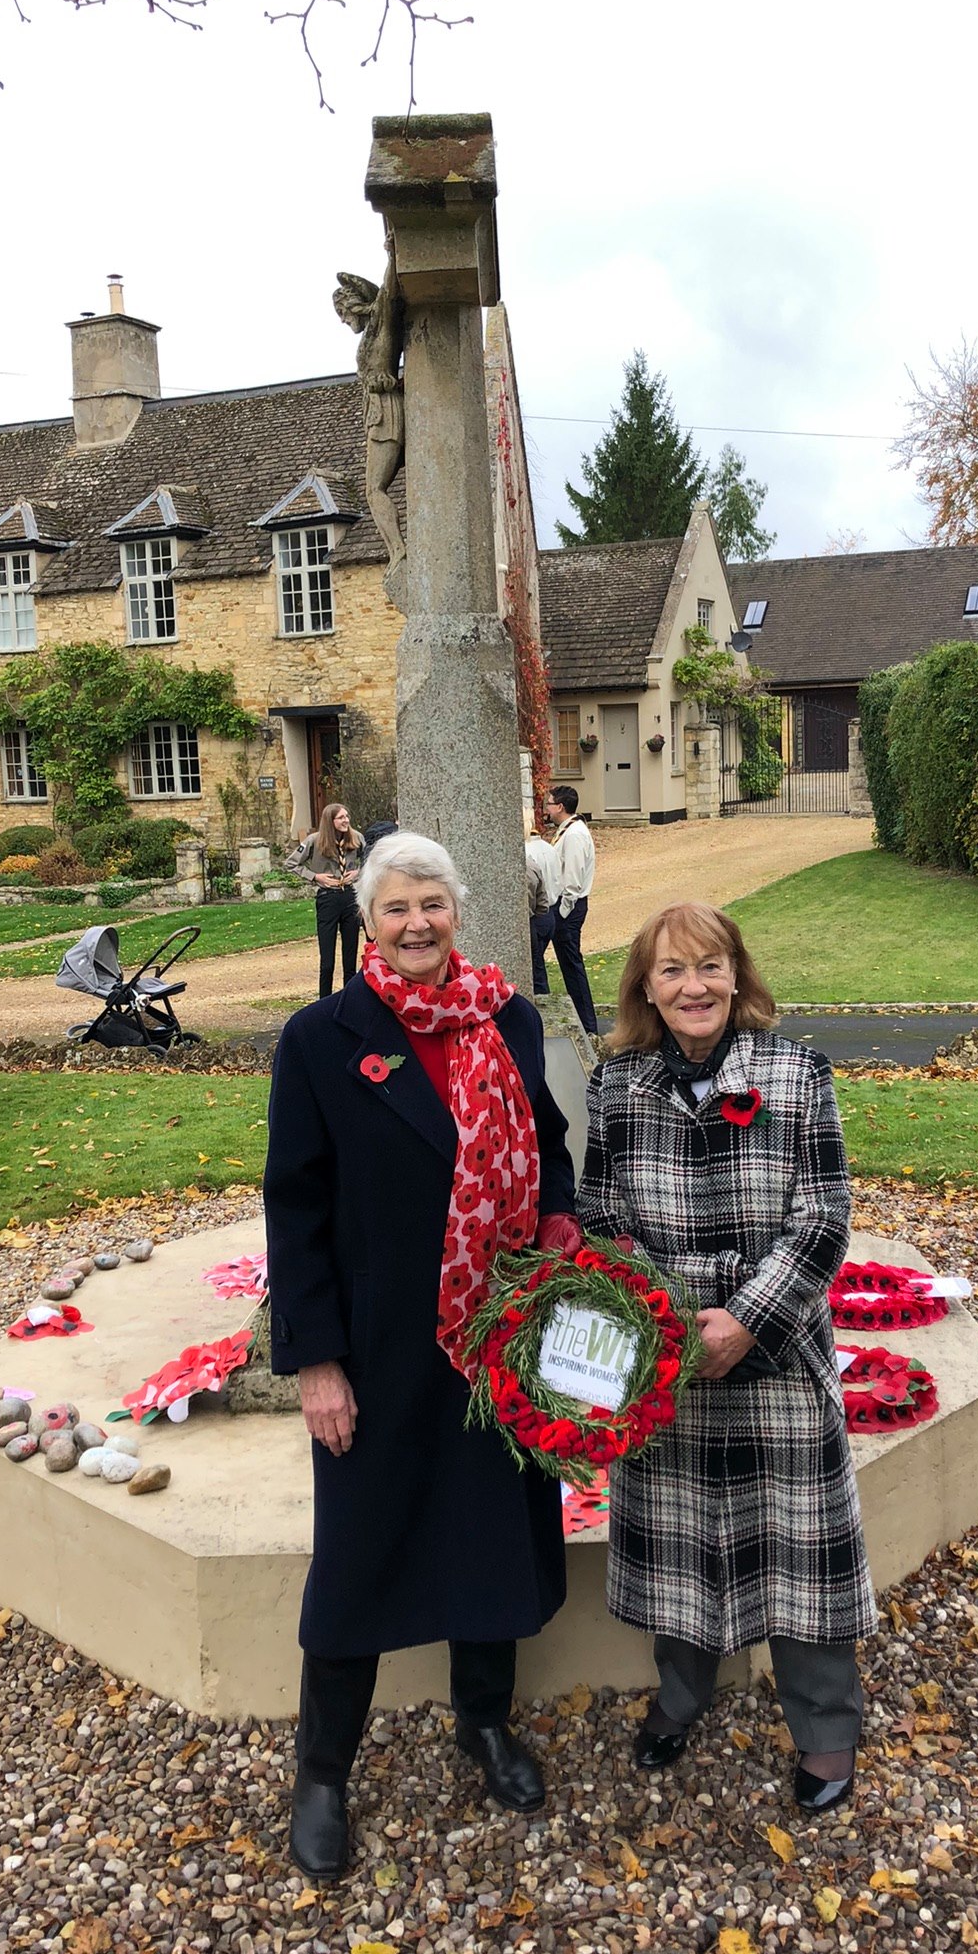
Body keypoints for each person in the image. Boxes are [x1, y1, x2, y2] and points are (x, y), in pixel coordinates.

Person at [264, 830, 581, 1882]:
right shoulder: (322, 1037)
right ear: (368, 917)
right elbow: (296, 1206)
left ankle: (482, 1722)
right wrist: (316, 1361)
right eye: (396, 907)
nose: (415, 924)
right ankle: (322, 1770)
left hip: (498, 1335)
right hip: (382, 1344)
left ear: (457, 913)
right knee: (361, 1551)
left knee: (489, 1535)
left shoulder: (511, 1017)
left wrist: (560, 1229)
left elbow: (549, 1143)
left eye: (432, 906)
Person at [578, 901, 874, 1813]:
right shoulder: (616, 1084)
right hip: (666, 1363)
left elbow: (823, 1215)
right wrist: (662, 1322)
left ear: (737, 975)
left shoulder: (796, 1072)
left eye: (710, 966)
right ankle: (681, 1694)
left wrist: (746, 1318)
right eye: (672, 972)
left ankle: (826, 1729)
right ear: (646, 989)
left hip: (775, 1357)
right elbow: (599, 1215)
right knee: (680, 1548)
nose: (694, 986)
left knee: (800, 1553)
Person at [290, 804, 365, 999]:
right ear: (330, 821)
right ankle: (324, 1002)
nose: (346, 821)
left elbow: (370, 862)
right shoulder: (314, 841)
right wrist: (315, 877)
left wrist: (358, 873)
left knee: (350, 959)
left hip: (349, 897)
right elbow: (291, 863)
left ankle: (349, 1001)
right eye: (341, 818)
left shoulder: (356, 838)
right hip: (327, 899)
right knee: (328, 962)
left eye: (347, 816)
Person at [543, 784, 598, 1033]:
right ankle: (584, 1021)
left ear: (561, 807)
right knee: (567, 963)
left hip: (569, 907)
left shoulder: (575, 834)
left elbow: (572, 880)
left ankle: (588, 1025)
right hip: (564, 906)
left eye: (550, 804)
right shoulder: (568, 831)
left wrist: (562, 913)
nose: (547, 809)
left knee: (572, 964)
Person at [524, 814, 561, 998]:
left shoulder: (527, 859)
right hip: (548, 915)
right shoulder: (550, 849)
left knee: (536, 970)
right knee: (538, 968)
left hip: (534, 920)